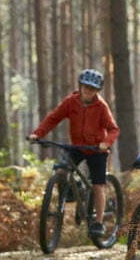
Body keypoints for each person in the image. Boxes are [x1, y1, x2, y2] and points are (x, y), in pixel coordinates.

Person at [28, 69, 119, 237]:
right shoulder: (71, 102)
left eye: (91, 89)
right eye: (85, 87)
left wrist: (105, 143)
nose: (87, 91)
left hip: (96, 150)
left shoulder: (101, 106)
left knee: (98, 185)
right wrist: (38, 134)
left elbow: (113, 129)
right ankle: (71, 192)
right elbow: (53, 118)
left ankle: (98, 223)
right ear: (80, 86)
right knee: (61, 171)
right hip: (77, 147)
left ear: (97, 91)